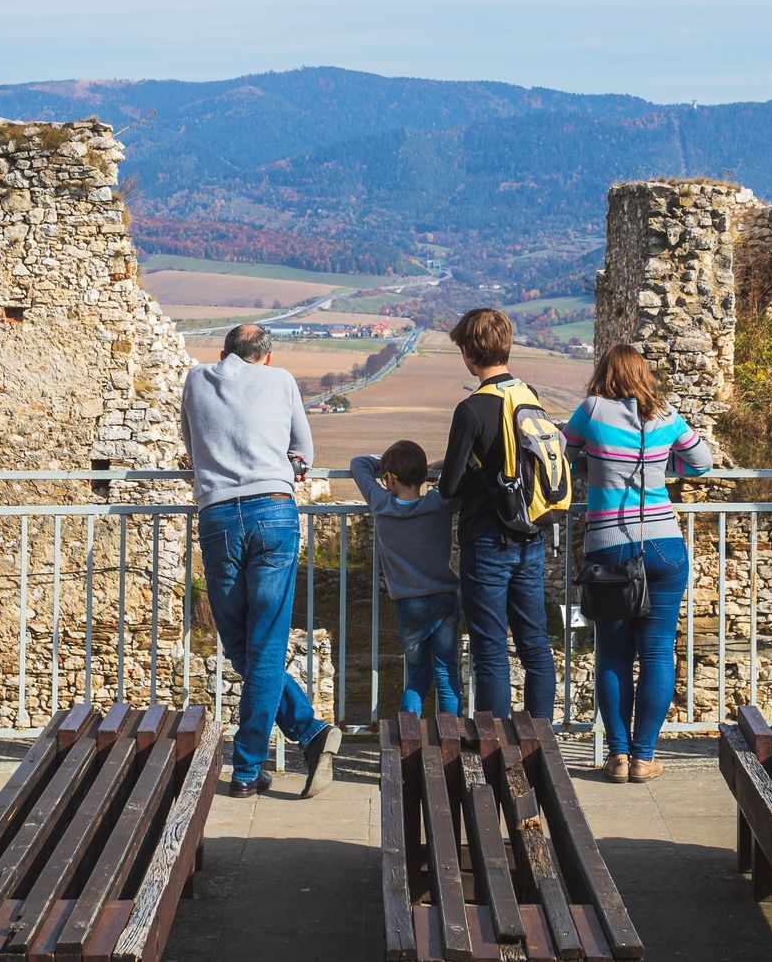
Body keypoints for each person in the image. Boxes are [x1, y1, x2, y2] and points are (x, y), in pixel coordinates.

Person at [180, 323, 341, 798]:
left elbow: (192, 446)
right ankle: (286, 747)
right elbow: (304, 453)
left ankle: (278, 749)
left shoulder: (196, 379)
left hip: (217, 517)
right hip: (273, 510)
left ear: (224, 351)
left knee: (239, 643)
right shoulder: (282, 380)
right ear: (266, 357)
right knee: (264, 644)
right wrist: (283, 464)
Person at [561, 343, 713, 783]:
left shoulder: (591, 410)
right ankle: (646, 757)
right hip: (665, 546)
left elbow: (562, 458)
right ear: (643, 374)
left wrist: (593, 462)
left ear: (604, 372)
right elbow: (701, 463)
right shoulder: (666, 414)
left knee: (612, 652)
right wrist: (667, 467)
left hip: (609, 548)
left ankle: (618, 757)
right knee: (657, 651)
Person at [438, 307, 557, 720]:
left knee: (490, 650)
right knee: (536, 646)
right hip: (531, 537)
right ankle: (542, 742)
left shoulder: (472, 409)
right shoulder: (528, 396)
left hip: (487, 542)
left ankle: (498, 748)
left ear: (469, 353)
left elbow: (449, 487)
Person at [351, 439, 461, 717]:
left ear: (388, 479)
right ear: (423, 477)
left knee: (417, 677)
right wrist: (427, 467)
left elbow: (359, 463)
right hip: (443, 599)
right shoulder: (440, 504)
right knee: (446, 674)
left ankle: (407, 735)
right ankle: (450, 738)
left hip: (409, 604)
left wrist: (386, 464)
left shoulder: (381, 503)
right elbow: (459, 467)